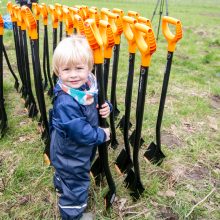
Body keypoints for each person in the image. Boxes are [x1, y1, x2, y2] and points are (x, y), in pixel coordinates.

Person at [49, 35, 111, 220]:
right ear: (57, 71)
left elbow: (94, 103)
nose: (73, 74)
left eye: (79, 68)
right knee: (76, 182)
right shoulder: (66, 101)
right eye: (66, 69)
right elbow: (80, 132)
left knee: (66, 176)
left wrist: (107, 106)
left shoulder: (86, 88)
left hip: (71, 152)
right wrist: (101, 134)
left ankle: (61, 185)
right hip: (71, 154)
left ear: (89, 68)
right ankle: (73, 213)